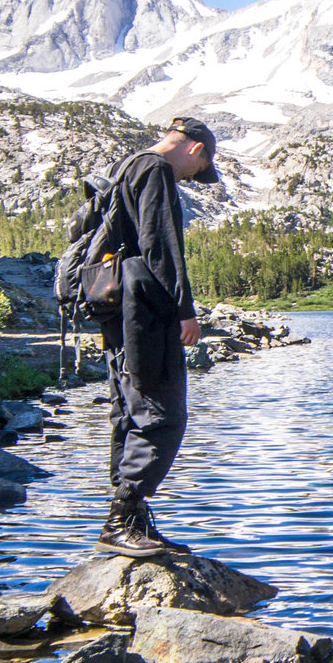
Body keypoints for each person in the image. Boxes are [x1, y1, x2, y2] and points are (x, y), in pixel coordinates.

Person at [96, 117, 219, 556]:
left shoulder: (126, 165)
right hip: (143, 307)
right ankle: (122, 518)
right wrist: (184, 311)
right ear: (195, 149)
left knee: (128, 409)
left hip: (115, 305)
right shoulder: (157, 170)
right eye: (198, 169)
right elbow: (161, 246)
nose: (192, 178)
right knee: (162, 409)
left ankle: (130, 518)